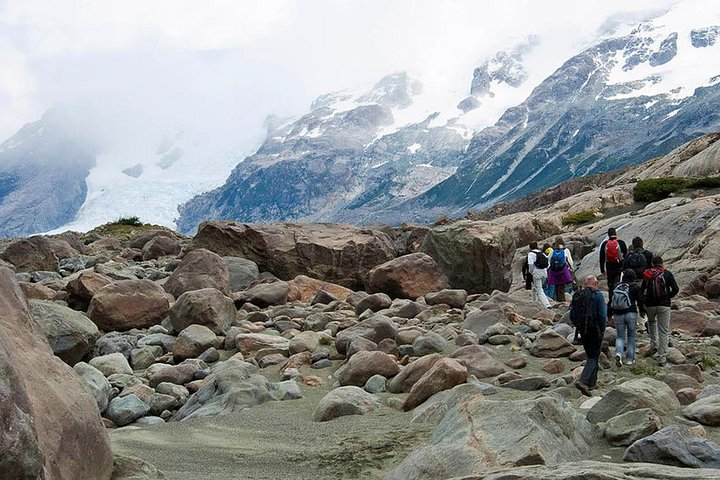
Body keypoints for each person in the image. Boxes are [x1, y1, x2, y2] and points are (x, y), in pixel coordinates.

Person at [569, 275, 607, 396]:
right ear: (595, 284)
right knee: (593, 356)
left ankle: (592, 383)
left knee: (591, 354)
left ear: (585, 284)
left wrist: (578, 326)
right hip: (595, 329)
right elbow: (602, 314)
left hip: (582, 329)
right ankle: (583, 380)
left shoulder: (578, 295)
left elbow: (571, 315)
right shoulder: (598, 295)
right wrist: (602, 329)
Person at [642, 256, 679, 366]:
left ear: (652, 264)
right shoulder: (667, 274)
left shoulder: (647, 274)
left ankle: (653, 346)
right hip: (664, 305)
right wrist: (668, 297)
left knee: (652, 323)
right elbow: (676, 289)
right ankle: (662, 357)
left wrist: (644, 301)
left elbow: (641, 290)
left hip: (650, 305)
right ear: (662, 263)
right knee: (663, 331)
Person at [608, 269, 645, 367]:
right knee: (631, 336)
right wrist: (642, 311)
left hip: (617, 314)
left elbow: (611, 300)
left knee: (620, 336)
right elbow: (640, 300)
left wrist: (609, 315)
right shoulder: (634, 287)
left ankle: (619, 353)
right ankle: (629, 359)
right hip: (631, 313)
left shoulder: (616, 286)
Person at [599, 227, 628, 292]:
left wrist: (602, 270)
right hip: (619, 266)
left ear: (608, 235)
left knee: (611, 285)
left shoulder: (604, 244)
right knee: (618, 283)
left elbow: (602, 258)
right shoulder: (621, 243)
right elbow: (626, 255)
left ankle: (611, 298)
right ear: (615, 234)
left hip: (609, 266)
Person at [547, 236, 574, 302]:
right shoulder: (565, 250)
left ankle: (557, 300)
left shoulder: (552, 250)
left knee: (556, 286)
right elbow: (570, 261)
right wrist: (571, 268)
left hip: (554, 271)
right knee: (562, 286)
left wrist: (549, 269)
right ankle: (562, 300)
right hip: (562, 270)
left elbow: (548, 260)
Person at [527, 241, 551, 308]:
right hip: (544, 272)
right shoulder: (541, 253)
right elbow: (548, 263)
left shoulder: (531, 254)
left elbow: (530, 264)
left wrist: (531, 272)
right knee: (536, 287)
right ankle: (534, 302)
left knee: (539, 290)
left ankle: (547, 305)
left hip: (537, 273)